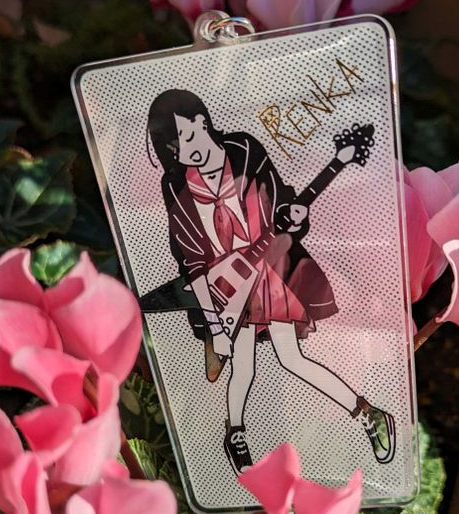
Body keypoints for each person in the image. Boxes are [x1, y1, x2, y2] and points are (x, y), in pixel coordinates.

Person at [146, 88, 395, 475]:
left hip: (268, 273)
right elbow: (191, 260)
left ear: (201, 121)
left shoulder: (245, 150)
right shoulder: (177, 188)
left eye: (188, 136)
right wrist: (215, 323)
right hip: (226, 288)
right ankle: (235, 435)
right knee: (242, 366)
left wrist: (295, 217)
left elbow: (281, 205)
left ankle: (368, 413)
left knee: (291, 358)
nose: (186, 152)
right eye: (175, 149)